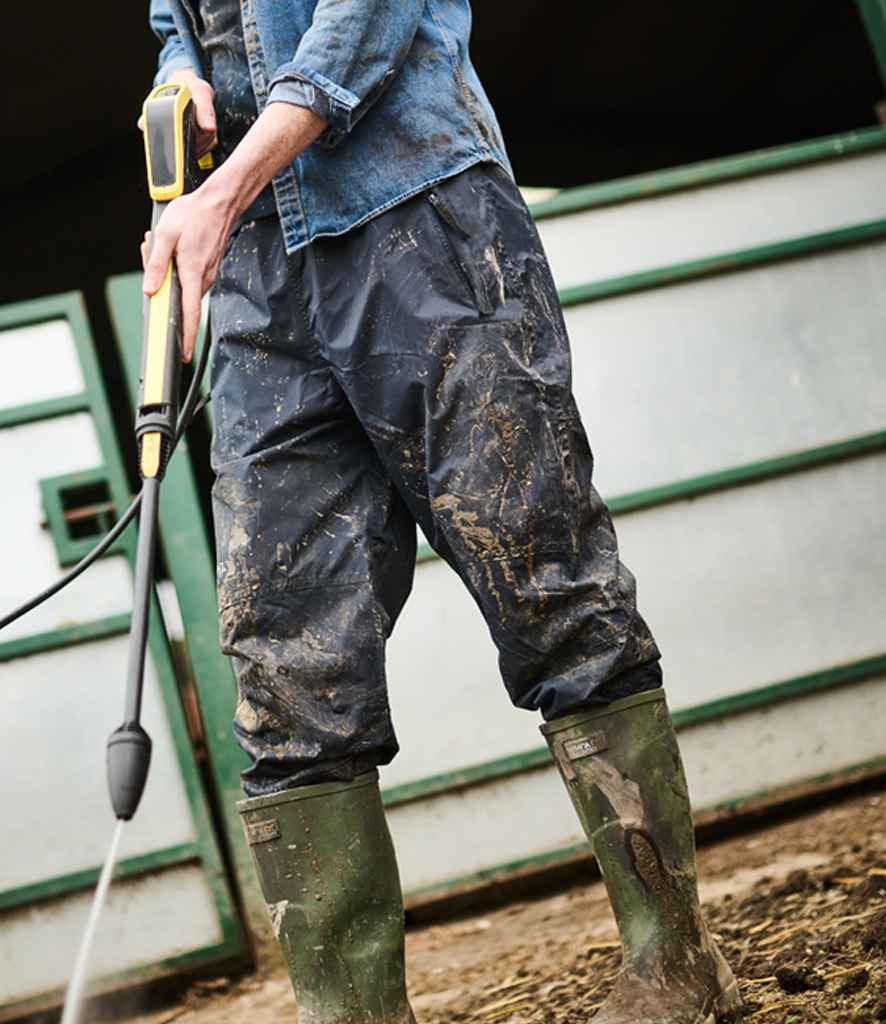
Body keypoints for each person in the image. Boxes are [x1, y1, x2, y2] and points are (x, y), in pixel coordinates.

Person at [144, 3, 743, 1021]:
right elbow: (177, 19)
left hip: (418, 211)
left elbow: (365, 20)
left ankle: (678, 965)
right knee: (281, 659)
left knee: (544, 577)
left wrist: (223, 188)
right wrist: (177, 76)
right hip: (260, 279)